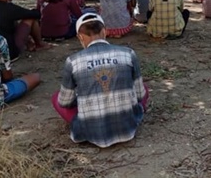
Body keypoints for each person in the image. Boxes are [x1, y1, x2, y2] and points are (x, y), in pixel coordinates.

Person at [52, 13, 148, 147]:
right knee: (143, 88)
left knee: (56, 97)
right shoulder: (128, 53)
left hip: (91, 132)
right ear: (105, 31)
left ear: (80, 37)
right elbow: (140, 95)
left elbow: (64, 102)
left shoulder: (73, 61)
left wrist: (82, 99)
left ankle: (86, 124)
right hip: (127, 129)